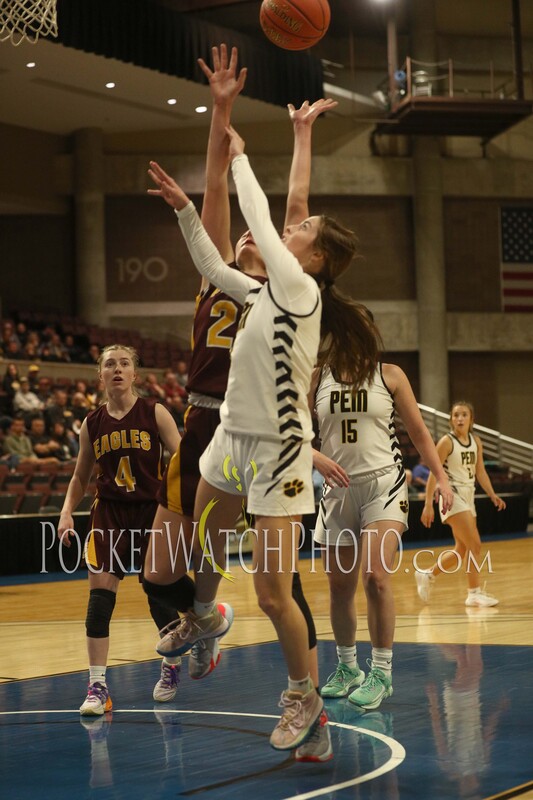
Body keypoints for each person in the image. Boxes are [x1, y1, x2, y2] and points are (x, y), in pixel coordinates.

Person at [147, 112, 360, 754]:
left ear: (314, 256)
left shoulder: (299, 288)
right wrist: (187, 209)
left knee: (272, 593)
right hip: (229, 441)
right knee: (204, 541)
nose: (291, 229)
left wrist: (237, 152)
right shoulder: (263, 293)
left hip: (280, 455)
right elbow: (214, 266)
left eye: (303, 231)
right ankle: (205, 616)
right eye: (296, 226)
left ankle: (302, 694)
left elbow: (266, 216)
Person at [311, 304, 454, 710]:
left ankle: (382, 672)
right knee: (339, 586)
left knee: (376, 577)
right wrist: (313, 455)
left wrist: (440, 478)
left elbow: (419, 432)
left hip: (383, 485)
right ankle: (347, 667)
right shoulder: (316, 377)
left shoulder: (389, 375)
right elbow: (287, 430)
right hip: (337, 490)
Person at [57, 344, 189, 716]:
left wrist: (185, 512)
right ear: (100, 376)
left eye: (124, 363)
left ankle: (170, 666)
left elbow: (181, 461)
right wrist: (67, 511)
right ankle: (97, 686)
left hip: (152, 511)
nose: (117, 369)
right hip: (110, 513)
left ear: (135, 375)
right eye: (109, 364)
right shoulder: (91, 422)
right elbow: (81, 476)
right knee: (99, 600)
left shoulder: (155, 412)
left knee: (157, 593)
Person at [416, 400, 506, 607]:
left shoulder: (476, 441)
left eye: (464, 414)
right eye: (456, 415)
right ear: (451, 420)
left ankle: (428, 574)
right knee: (475, 544)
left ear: (471, 419)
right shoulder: (447, 442)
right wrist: (428, 504)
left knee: (462, 549)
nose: (459, 418)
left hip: (468, 495)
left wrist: (492, 495)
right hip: (451, 495)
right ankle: (473, 593)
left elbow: (480, 471)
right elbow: (434, 473)